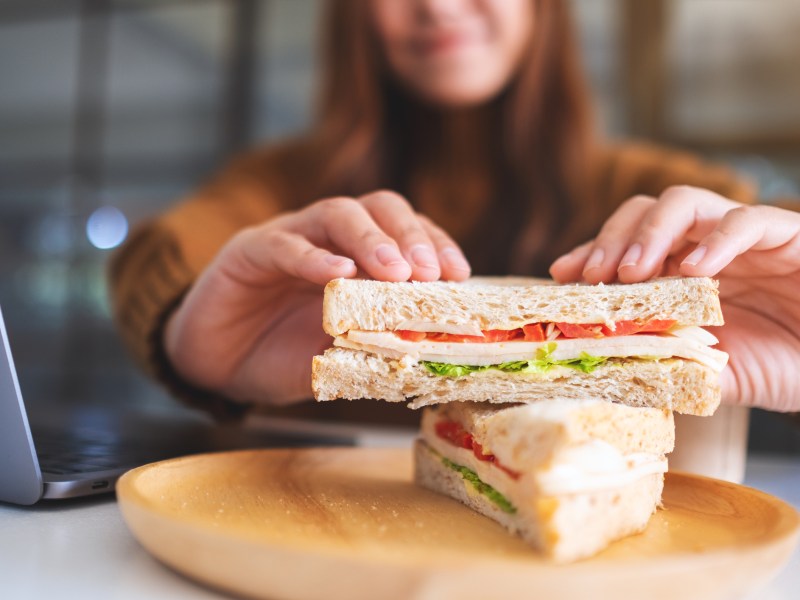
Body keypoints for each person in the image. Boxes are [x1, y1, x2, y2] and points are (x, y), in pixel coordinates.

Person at [110, 0, 800, 428]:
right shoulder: (284, 182)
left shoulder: (651, 187)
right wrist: (188, 335)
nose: (437, 6)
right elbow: (164, 252)